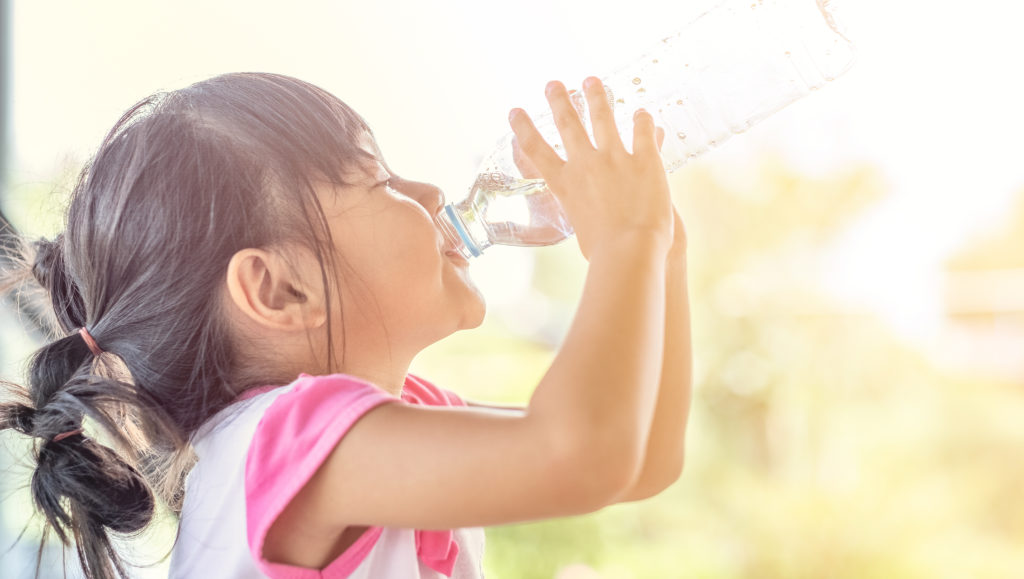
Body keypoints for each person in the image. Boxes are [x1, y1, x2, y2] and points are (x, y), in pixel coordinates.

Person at [0, 72, 692, 579]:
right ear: (279, 289)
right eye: (379, 180)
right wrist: (627, 241)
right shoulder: (281, 438)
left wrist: (661, 256)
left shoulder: (363, 429)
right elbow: (582, 454)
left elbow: (642, 461)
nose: (430, 193)